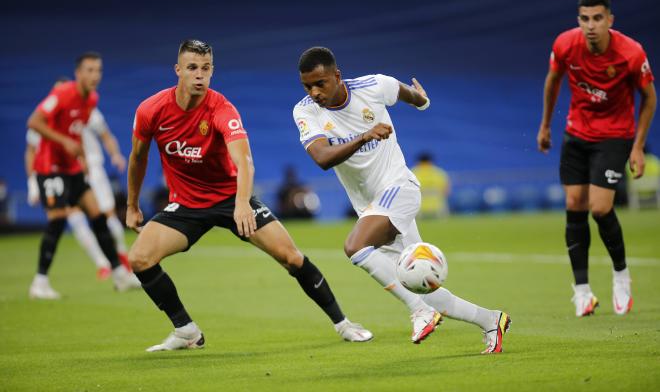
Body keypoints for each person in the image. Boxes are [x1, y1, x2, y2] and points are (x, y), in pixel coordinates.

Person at [126, 39, 372, 352]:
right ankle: (186, 330)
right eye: (192, 68)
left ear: (212, 71)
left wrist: (242, 204)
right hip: (186, 204)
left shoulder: (221, 108)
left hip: (231, 198)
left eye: (205, 68)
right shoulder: (151, 110)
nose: (199, 75)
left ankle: (344, 324)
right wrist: (132, 205)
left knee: (291, 257)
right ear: (178, 70)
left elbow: (244, 160)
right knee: (139, 258)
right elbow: (137, 158)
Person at [293, 47, 510, 353]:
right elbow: (322, 158)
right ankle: (491, 320)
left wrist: (422, 101)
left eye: (321, 83)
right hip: (372, 208)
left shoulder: (373, 86)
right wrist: (364, 136)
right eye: (307, 86)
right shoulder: (305, 111)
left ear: (337, 76)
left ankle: (418, 310)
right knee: (418, 282)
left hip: (399, 187)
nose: (314, 92)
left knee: (355, 248)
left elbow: (409, 94)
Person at [537, 0, 656, 317]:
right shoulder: (565, 44)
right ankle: (582, 291)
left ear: (610, 21)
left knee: (600, 208)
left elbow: (649, 98)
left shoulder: (631, 53)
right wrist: (545, 125)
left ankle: (621, 276)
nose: (591, 26)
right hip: (576, 134)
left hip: (615, 137)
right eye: (585, 19)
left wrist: (638, 146)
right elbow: (552, 81)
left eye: (598, 18)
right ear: (579, 20)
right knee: (574, 204)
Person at [26, 53, 140, 299]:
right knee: (57, 221)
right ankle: (40, 282)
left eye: (98, 70)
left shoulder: (91, 99)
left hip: (73, 169)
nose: (94, 75)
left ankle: (119, 273)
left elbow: (76, 132)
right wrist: (64, 141)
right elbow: (34, 122)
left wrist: (82, 160)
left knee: (97, 216)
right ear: (78, 73)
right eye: (89, 70)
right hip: (50, 168)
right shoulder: (63, 93)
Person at [411, 152, 451, 218]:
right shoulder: (439, 173)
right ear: (431, 161)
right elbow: (447, 192)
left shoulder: (413, 173)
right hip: (437, 209)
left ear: (418, 161)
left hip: (418, 210)